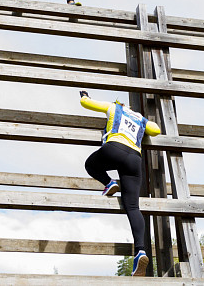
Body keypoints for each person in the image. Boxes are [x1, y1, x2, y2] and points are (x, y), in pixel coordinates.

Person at [80, 90, 161, 277]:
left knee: (90, 165)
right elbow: (155, 130)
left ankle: (109, 183)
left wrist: (84, 95)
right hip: (134, 158)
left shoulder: (113, 107)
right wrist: (145, 123)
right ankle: (140, 251)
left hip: (114, 148)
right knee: (133, 207)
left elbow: (87, 104)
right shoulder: (140, 118)